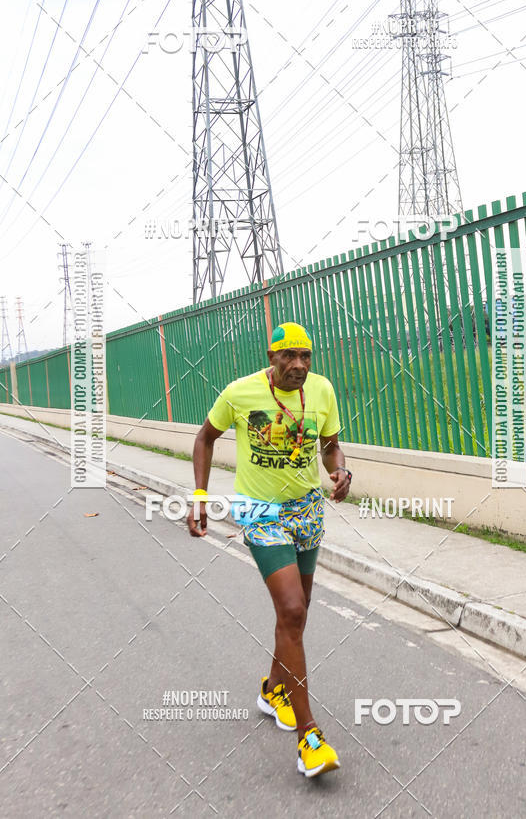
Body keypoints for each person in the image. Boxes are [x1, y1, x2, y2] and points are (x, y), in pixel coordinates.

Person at [187, 321, 352, 777]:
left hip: (307, 509)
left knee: (297, 612)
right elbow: (204, 438)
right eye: (289, 356)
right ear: (272, 357)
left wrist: (341, 470)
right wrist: (200, 496)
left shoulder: (322, 390)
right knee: (293, 609)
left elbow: (331, 447)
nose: (299, 365)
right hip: (260, 511)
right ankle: (309, 738)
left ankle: (273, 689)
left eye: (306, 356)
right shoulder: (240, 393)